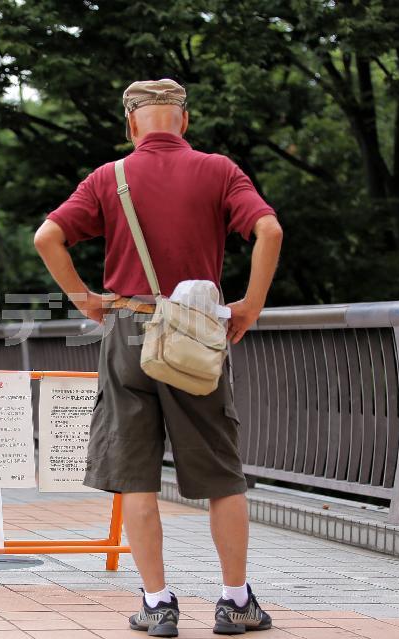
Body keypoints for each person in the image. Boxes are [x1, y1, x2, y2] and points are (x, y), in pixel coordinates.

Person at [33, 79, 283, 637]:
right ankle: (235, 602)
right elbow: (268, 229)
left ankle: (157, 603)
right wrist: (251, 305)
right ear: (183, 120)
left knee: (137, 477)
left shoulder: (109, 177)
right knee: (221, 474)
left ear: (131, 123)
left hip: (127, 330)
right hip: (193, 332)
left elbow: (47, 237)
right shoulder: (219, 171)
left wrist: (85, 299)